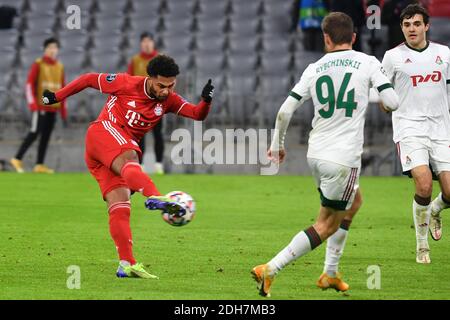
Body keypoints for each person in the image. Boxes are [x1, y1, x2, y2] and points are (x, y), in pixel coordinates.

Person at [251, 12, 399, 297]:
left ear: (326, 38)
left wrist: (276, 145)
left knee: (354, 202)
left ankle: (330, 273)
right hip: (344, 159)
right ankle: (270, 268)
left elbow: (284, 111)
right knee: (326, 224)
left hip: (316, 154)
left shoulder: (314, 67)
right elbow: (391, 102)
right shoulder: (367, 62)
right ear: (354, 37)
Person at [41, 54, 215, 278]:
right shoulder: (126, 83)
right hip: (104, 132)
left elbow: (196, 114)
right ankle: (155, 196)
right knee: (131, 156)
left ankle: (126, 263)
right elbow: (88, 79)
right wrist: (56, 96)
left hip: (110, 154)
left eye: (171, 85)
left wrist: (206, 101)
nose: (166, 91)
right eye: (161, 85)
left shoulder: (169, 100)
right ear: (150, 78)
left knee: (120, 204)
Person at [380, 4, 450, 264]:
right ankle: (422, 246)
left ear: (426, 26)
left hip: (442, 129)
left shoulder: (444, 54)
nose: (412, 29)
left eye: (417, 24)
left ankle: (434, 209)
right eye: (407, 24)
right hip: (410, 128)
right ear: (402, 28)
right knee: (423, 183)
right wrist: (386, 103)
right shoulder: (392, 57)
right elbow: (382, 96)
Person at [10, 37, 67, 174]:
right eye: (50, 47)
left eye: (55, 48)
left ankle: (39, 164)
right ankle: (17, 158)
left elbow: (63, 88)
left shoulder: (60, 67)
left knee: (46, 136)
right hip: (40, 106)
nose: (53, 50)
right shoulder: (38, 64)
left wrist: (63, 109)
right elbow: (29, 84)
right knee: (35, 132)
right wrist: (33, 104)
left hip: (53, 107)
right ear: (45, 49)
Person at [127, 32, 165, 174]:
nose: (147, 44)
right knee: (139, 135)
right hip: (140, 104)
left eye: (149, 41)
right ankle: (140, 164)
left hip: (156, 103)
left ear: (153, 43)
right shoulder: (135, 60)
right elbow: (129, 80)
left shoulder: (160, 59)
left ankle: (158, 164)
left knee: (157, 134)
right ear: (141, 44)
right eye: (144, 41)